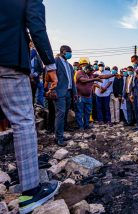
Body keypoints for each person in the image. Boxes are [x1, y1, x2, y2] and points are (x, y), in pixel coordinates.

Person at [0, 0, 59, 213]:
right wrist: (49, 64)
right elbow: (36, 26)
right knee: (23, 121)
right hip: (8, 60)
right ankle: (31, 192)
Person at [54, 45, 77, 146]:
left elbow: (72, 81)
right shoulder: (55, 62)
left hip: (68, 92)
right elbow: (50, 77)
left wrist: (74, 93)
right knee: (60, 114)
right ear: (63, 51)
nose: (70, 54)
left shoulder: (69, 65)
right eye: (69, 52)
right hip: (59, 92)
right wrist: (52, 90)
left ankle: (62, 133)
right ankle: (58, 138)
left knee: (65, 113)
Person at [75, 60, 102, 130]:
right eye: (90, 71)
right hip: (80, 96)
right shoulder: (79, 72)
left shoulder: (91, 74)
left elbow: (103, 76)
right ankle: (80, 126)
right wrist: (94, 79)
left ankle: (86, 125)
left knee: (88, 112)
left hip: (88, 96)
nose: (91, 72)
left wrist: (113, 75)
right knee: (80, 112)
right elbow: (83, 80)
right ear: (86, 70)